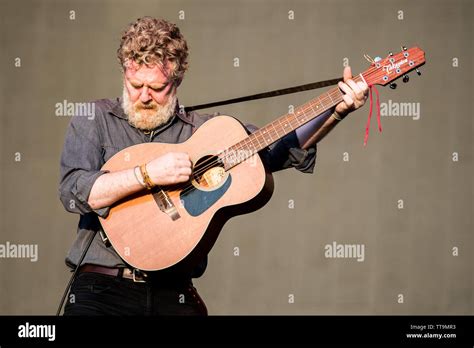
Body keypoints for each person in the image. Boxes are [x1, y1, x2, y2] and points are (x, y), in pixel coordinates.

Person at [58, 16, 368, 316]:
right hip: (101, 291)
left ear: (177, 80)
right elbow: (75, 192)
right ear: (125, 71)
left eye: (156, 88)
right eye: (135, 84)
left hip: (174, 291)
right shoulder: (94, 118)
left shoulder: (207, 132)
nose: (143, 97)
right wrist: (148, 174)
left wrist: (336, 111)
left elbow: (280, 148)